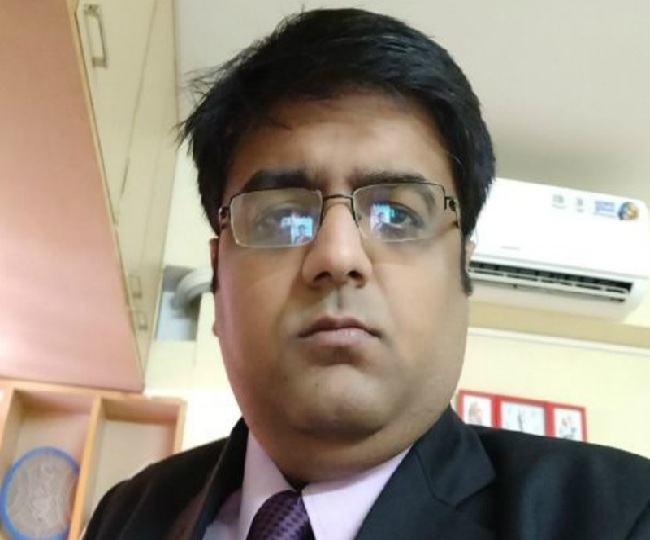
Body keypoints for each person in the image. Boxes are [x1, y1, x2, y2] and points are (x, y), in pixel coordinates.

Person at [84, 8, 650, 540]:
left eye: (398, 215)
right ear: (217, 274)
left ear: (463, 272)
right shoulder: (128, 514)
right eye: (281, 217)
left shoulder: (620, 517)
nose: (337, 256)